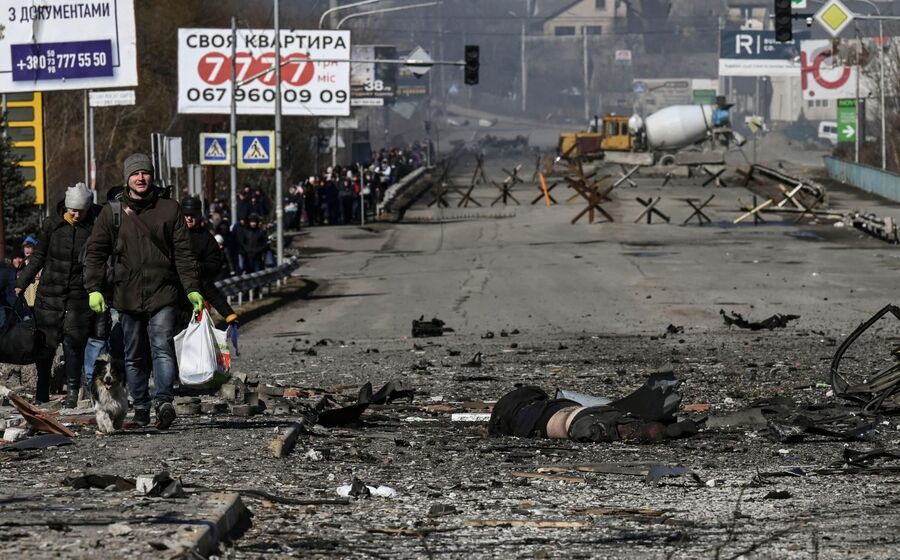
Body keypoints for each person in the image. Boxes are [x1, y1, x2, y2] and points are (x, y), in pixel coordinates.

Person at [84, 153, 204, 429]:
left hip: (163, 292)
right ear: (127, 178)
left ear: (152, 176)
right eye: (135, 174)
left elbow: (184, 254)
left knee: (162, 347)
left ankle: (164, 402)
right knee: (134, 354)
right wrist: (94, 288)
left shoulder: (169, 209)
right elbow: (95, 254)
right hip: (126, 295)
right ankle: (140, 408)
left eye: (145, 173)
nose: (140, 178)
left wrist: (192, 289)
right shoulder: (111, 212)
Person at [15, 183, 100, 406]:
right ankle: (42, 391)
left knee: (74, 343)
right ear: (66, 206)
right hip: (49, 296)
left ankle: (73, 392)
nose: (76, 214)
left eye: (81, 210)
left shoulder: (93, 227)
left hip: (78, 296)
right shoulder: (52, 225)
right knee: (45, 346)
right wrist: (21, 283)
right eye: (73, 210)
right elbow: (38, 257)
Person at [180, 197, 240, 352]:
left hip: (196, 301)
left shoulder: (206, 239)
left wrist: (229, 316)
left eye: (192, 215)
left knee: (194, 346)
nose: (189, 218)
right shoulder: (172, 235)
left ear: (199, 216)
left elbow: (210, 279)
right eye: (185, 214)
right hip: (170, 299)